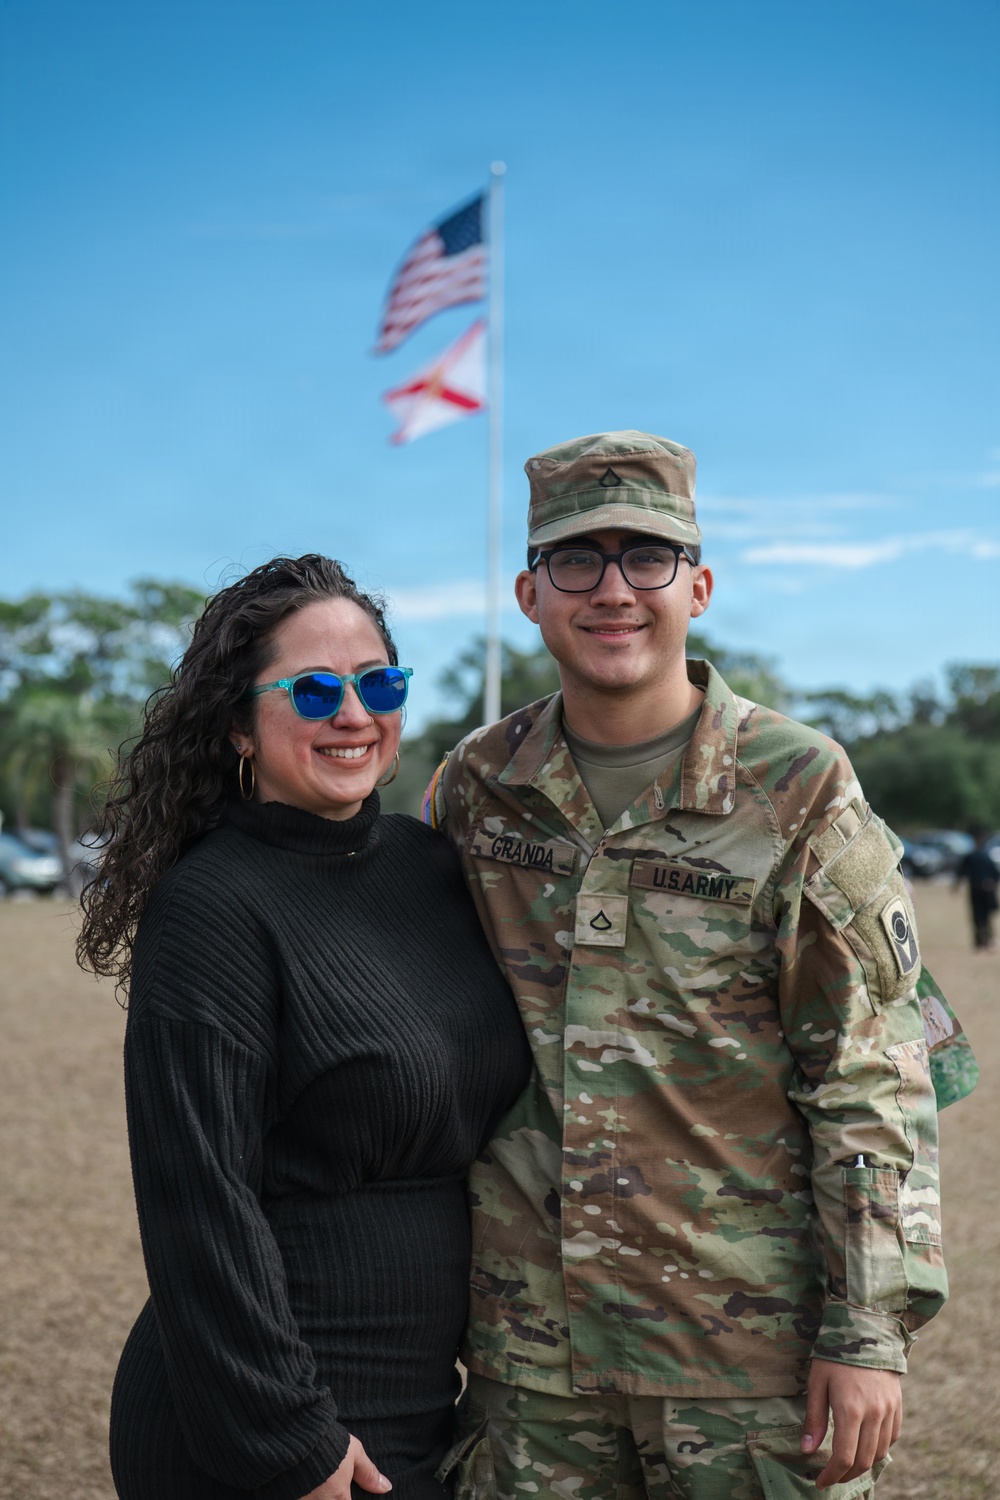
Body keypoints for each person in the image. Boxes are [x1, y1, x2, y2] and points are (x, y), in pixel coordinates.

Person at [426, 433, 947, 1499]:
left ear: (697, 587)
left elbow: (869, 1071)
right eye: (578, 560)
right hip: (536, 1360)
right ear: (530, 592)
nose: (612, 591)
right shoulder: (479, 785)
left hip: (745, 1358)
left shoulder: (795, 784)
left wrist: (865, 1333)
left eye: (646, 558)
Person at [78, 554, 532, 1500]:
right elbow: (198, 1201)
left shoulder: (429, 866)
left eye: (379, 683)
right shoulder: (211, 905)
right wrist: (288, 1440)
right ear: (239, 725)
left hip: (422, 1409)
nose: (353, 714)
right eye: (314, 689)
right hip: (270, 1426)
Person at [955, 824, 998, 949]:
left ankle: (988, 939)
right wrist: (956, 886)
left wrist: (992, 883)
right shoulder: (972, 856)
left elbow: (995, 874)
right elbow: (962, 872)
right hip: (975, 890)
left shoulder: (987, 855)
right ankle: (979, 940)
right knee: (977, 916)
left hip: (986, 892)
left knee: (986, 916)